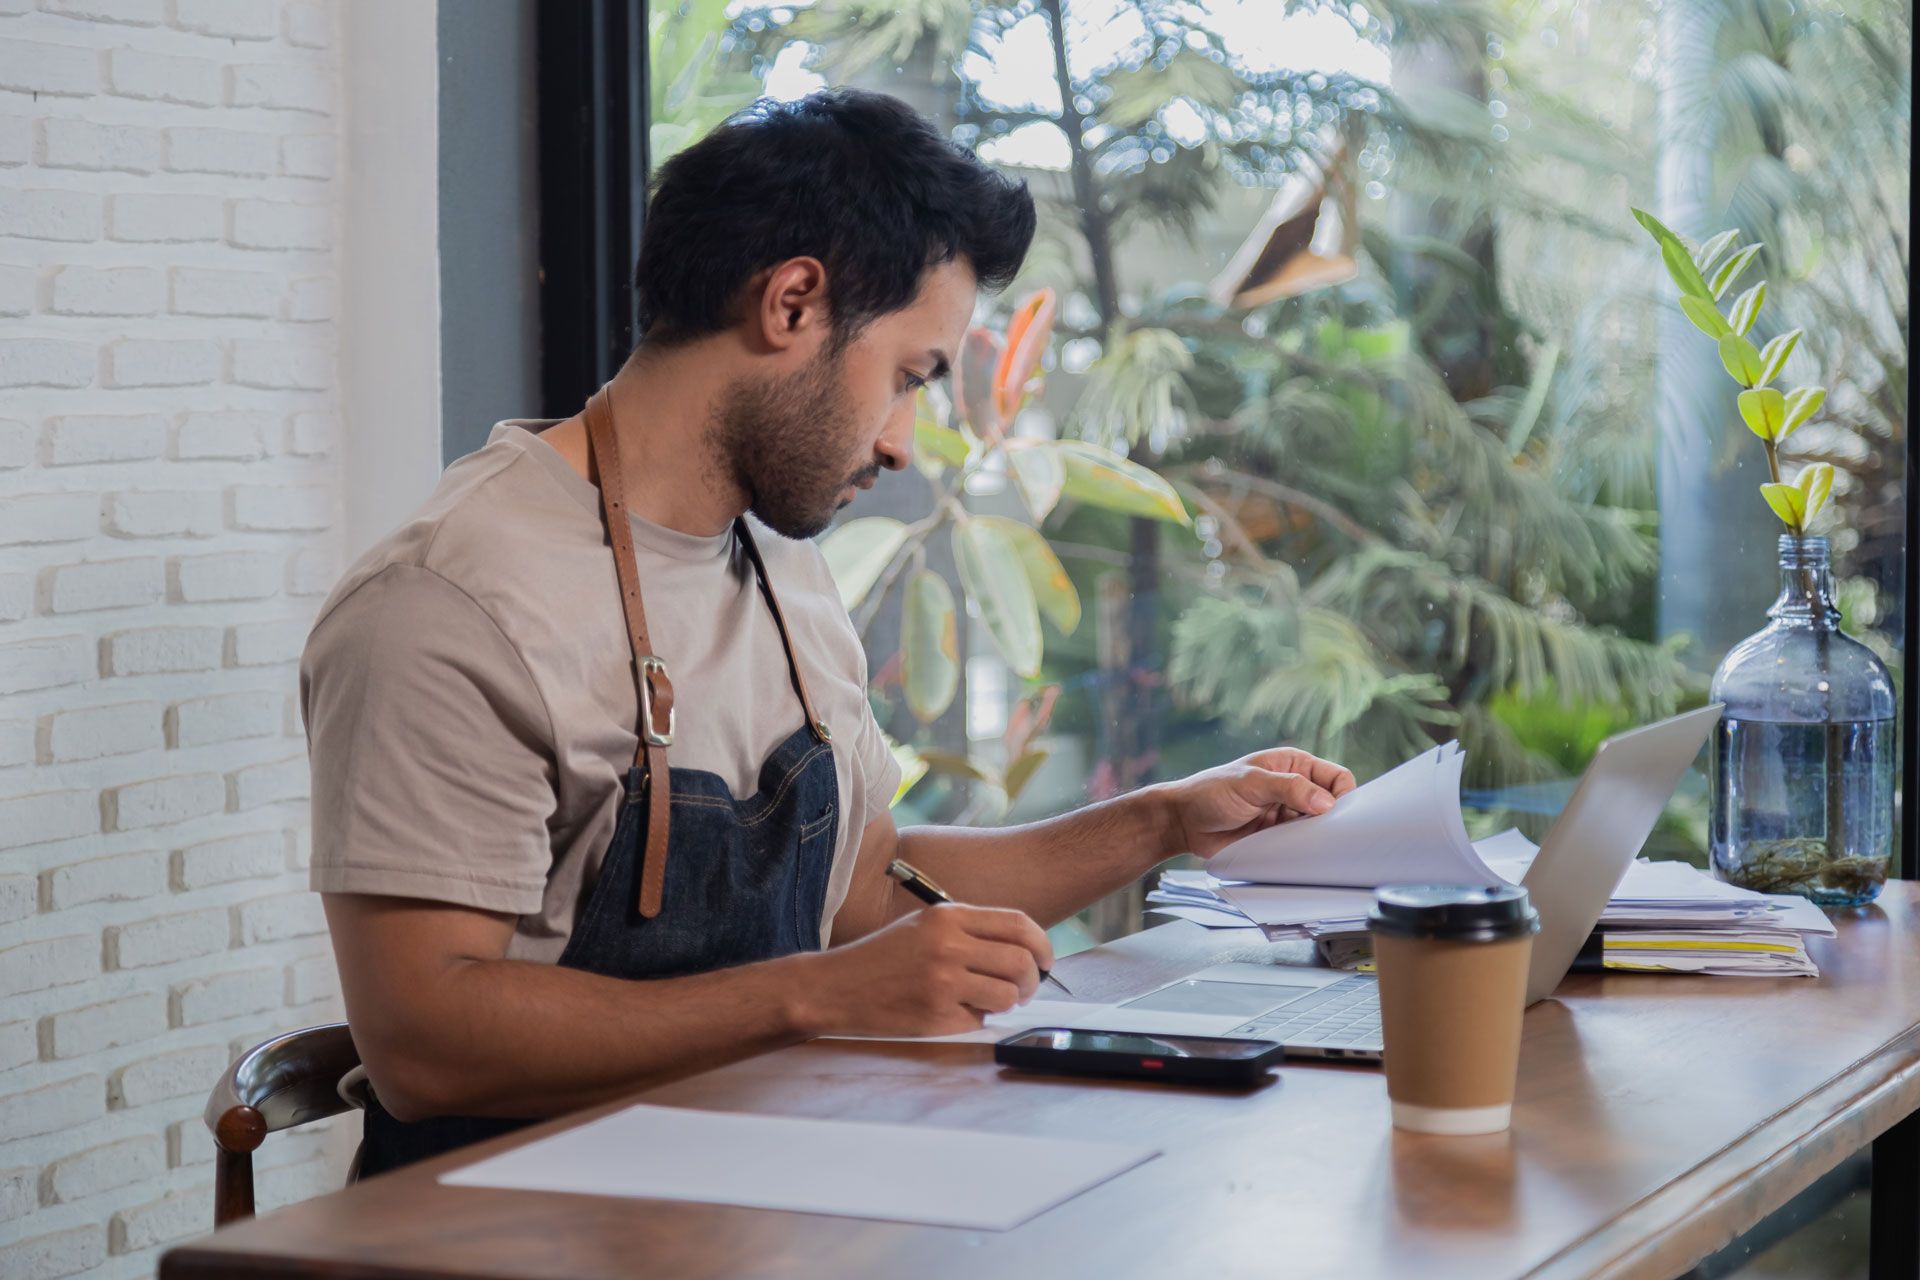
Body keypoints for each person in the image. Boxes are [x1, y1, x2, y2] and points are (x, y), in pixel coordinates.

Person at [302, 87, 1356, 1174]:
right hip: (507, 1218)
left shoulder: (780, 565)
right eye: (908, 377)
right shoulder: (451, 601)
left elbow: (860, 890)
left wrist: (1164, 820)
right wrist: (816, 995)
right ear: (793, 302)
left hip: (756, 1179)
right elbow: (426, 1040)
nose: (905, 442)